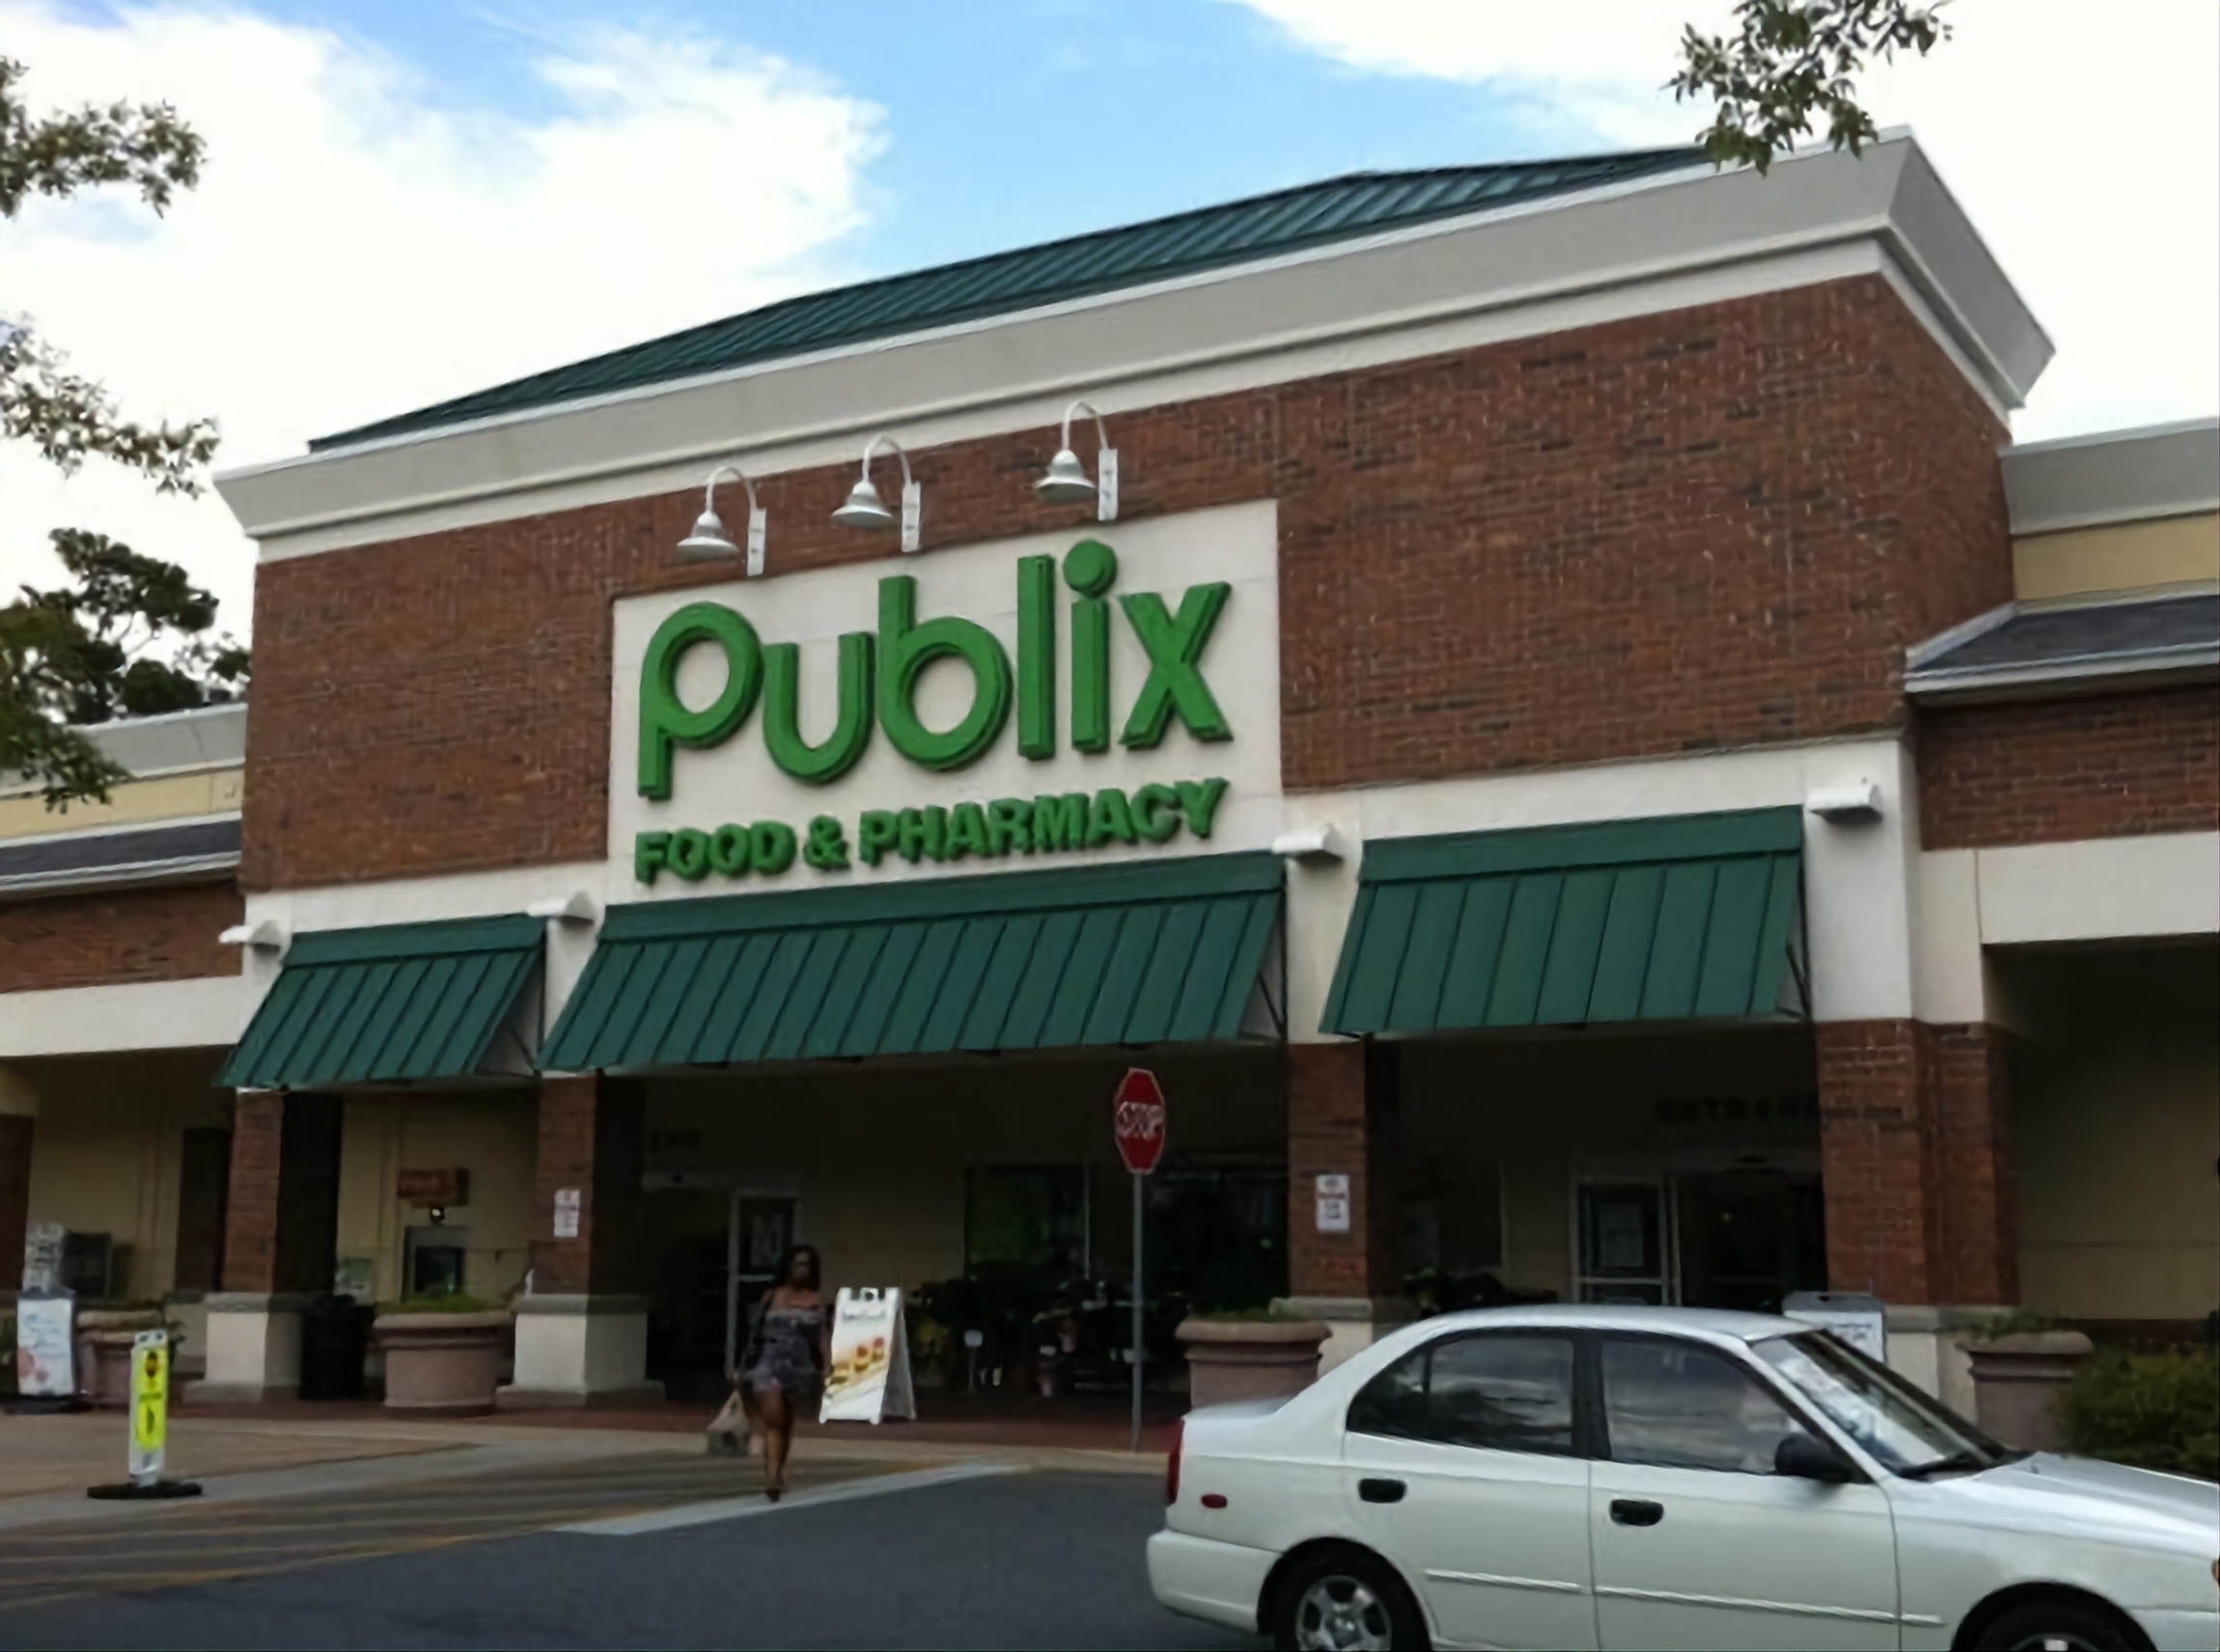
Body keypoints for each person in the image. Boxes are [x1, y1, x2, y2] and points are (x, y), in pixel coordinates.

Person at [737, 1245, 829, 1501]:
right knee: (774, 1419)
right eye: (797, 1264)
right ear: (788, 1267)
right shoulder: (771, 1297)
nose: (802, 1270)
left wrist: (827, 1363)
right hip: (768, 1362)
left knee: (786, 1422)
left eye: (806, 1265)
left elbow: (822, 1336)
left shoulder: (816, 1300)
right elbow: (754, 1333)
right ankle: (771, 1476)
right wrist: (741, 1365)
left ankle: (777, 1469)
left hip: (799, 1366)